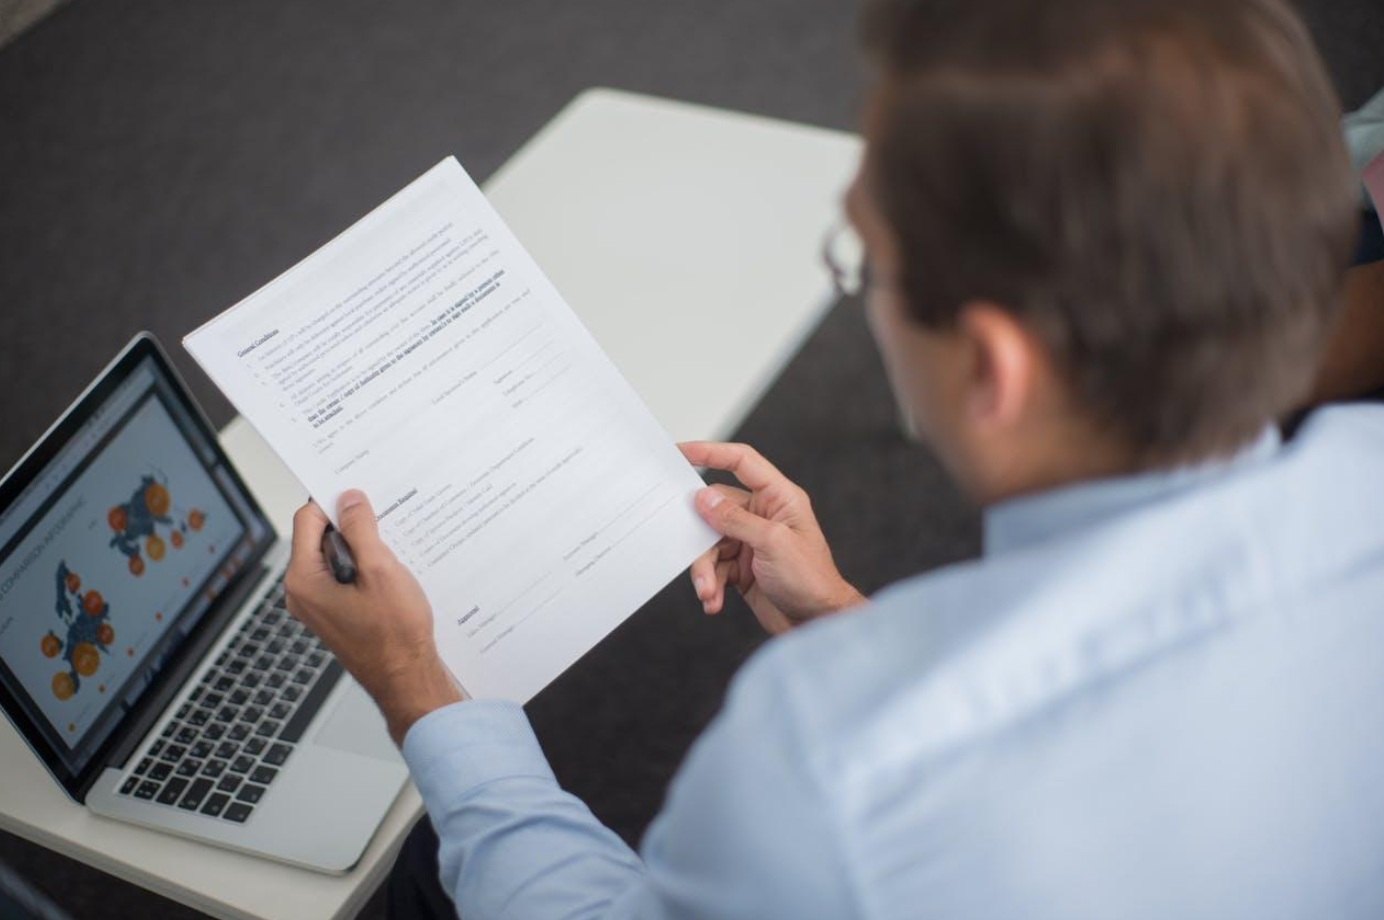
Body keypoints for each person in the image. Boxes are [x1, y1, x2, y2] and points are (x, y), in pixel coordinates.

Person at [285, 0, 1384, 916]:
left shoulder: (832, 766)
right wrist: (849, 617)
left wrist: (417, 686)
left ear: (989, 366)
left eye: (866, 258)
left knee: (432, 867)